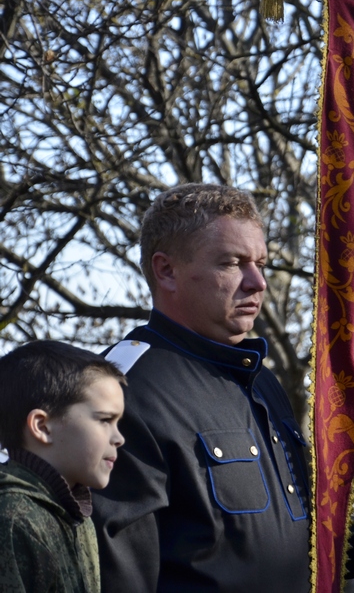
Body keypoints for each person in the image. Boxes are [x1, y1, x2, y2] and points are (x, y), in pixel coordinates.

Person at [90, 184, 311, 592]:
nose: (257, 282)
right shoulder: (117, 389)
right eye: (233, 263)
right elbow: (117, 573)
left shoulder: (263, 381)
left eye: (261, 263)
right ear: (166, 270)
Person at [0, 341, 125, 593]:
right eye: (105, 420)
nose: (119, 438)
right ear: (42, 426)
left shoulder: (77, 515)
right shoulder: (13, 519)